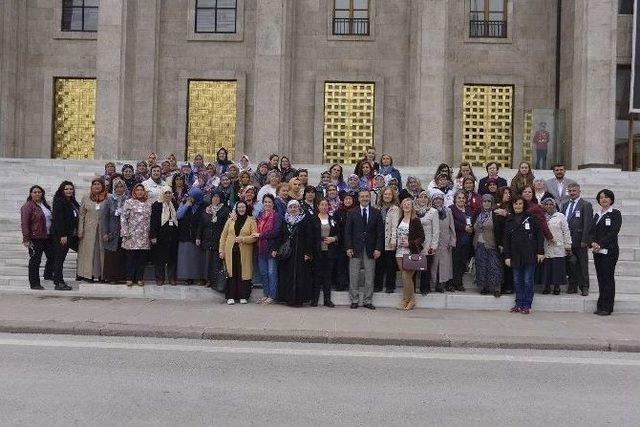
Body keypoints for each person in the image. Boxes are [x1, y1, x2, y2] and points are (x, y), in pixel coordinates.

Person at [503, 196, 545, 314]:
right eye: (515, 204)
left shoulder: (532, 218)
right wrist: (507, 256)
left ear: (524, 205)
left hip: (529, 255)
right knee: (517, 281)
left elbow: (539, 236)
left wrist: (540, 252)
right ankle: (518, 304)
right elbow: (506, 240)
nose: (517, 206)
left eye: (520, 204)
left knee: (528, 281)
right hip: (515, 256)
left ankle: (527, 305)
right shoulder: (509, 220)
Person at [345, 190, 384, 309]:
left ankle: (367, 300)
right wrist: (348, 247)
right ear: (358, 198)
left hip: (371, 249)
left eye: (367, 196)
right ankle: (354, 300)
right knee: (354, 275)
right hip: (355, 248)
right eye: (362, 196)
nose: (365, 198)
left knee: (369, 276)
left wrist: (378, 248)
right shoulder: (352, 212)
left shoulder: (376, 212)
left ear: (370, 198)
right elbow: (348, 232)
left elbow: (380, 233)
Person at [590, 189, 622, 316]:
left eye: (606, 197)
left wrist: (600, 244)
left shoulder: (615, 213)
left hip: (609, 251)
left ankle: (607, 307)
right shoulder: (597, 214)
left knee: (608, 279)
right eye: (601, 197)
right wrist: (591, 242)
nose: (604, 199)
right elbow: (591, 231)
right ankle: (601, 305)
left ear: (611, 199)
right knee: (600, 278)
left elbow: (613, 232)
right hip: (597, 251)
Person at [219, 201, 257, 304]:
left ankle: (243, 296)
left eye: (243, 207)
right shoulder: (231, 220)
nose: (241, 209)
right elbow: (223, 236)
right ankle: (230, 296)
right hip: (230, 251)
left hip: (244, 252)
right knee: (231, 273)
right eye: (239, 207)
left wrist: (243, 239)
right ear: (236, 208)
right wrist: (221, 251)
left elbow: (254, 237)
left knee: (242, 273)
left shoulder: (251, 221)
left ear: (246, 208)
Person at [276, 200, 312, 307]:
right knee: (288, 275)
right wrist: (277, 249)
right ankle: (289, 298)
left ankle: (299, 299)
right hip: (288, 253)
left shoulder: (304, 219)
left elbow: (309, 237)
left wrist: (308, 252)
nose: (293, 209)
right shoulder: (285, 220)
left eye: (295, 207)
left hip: (300, 251)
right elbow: (281, 235)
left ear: (298, 208)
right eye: (291, 207)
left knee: (300, 275)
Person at [561, 183, 593, 295]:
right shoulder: (565, 205)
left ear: (579, 191)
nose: (572, 193)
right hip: (568, 241)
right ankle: (572, 285)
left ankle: (584, 286)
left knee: (582, 264)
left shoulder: (585, 204)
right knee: (570, 264)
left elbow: (588, 224)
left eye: (574, 191)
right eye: (570, 191)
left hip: (580, 240)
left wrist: (585, 240)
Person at [21, 185, 54, 289]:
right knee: (35, 260)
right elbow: (24, 223)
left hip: (47, 236)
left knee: (52, 256)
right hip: (35, 237)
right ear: (31, 194)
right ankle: (34, 283)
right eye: (34, 192)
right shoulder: (28, 206)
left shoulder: (44, 205)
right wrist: (26, 239)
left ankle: (48, 274)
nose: (37, 194)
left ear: (42, 193)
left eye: (39, 192)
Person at [395, 198, 426, 310]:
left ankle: (406, 300)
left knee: (406, 276)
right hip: (399, 251)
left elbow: (422, 237)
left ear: (412, 206)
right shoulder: (400, 219)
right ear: (402, 206)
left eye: (409, 204)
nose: (406, 206)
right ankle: (411, 300)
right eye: (404, 204)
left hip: (411, 251)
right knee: (405, 278)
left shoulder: (415, 220)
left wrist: (410, 243)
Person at [196, 190, 230, 288]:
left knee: (216, 261)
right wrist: (198, 237)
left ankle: (216, 281)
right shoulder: (206, 210)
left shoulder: (225, 210)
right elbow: (201, 225)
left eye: (217, 197)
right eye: (214, 197)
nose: (215, 199)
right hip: (207, 238)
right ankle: (207, 280)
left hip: (218, 239)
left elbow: (227, 226)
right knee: (207, 261)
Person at [120, 183, 152, 287]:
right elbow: (124, 218)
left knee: (142, 259)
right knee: (131, 258)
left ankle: (139, 278)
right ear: (134, 191)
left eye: (141, 190)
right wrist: (125, 232)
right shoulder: (129, 202)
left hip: (144, 235)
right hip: (131, 235)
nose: (140, 192)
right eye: (137, 190)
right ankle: (129, 278)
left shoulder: (148, 203)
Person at [309, 198, 339, 307]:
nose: (324, 207)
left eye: (326, 205)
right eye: (322, 205)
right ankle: (314, 299)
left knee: (328, 276)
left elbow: (338, 234)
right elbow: (310, 236)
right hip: (317, 251)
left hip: (329, 251)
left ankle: (327, 299)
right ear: (318, 206)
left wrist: (334, 239)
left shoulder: (332, 219)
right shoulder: (313, 219)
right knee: (316, 275)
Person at [50, 181, 79, 290]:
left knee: (61, 258)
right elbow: (58, 220)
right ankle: (58, 282)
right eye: (66, 189)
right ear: (62, 190)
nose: (69, 191)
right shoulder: (59, 201)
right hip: (61, 235)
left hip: (71, 234)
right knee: (59, 258)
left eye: (71, 189)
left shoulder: (72, 201)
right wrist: (63, 235)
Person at [77, 178, 107, 282]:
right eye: (94, 184)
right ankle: (87, 275)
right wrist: (80, 230)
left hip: (103, 230)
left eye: (99, 184)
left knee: (100, 253)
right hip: (88, 230)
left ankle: (101, 275)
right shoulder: (86, 197)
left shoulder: (108, 197)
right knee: (88, 253)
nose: (97, 186)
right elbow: (81, 215)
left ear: (102, 186)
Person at [541, 196, 572, 295]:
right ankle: (546, 286)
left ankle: (557, 287)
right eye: (546, 204)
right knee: (546, 267)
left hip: (558, 246)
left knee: (557, 267)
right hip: (545, 245)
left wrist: (568, 245)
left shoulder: (560, 216)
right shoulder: (541, 216)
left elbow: (566, 231)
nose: (549, 206)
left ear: (554, 205)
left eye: (551, 204)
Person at [473, 194, 503, 297]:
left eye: (489, 202)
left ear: (492, 203)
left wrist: (501, 244)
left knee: (494, 266)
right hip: (479, 244)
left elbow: (500, 230)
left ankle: (496, 288)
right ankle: (484, 287)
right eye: (484, 201)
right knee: (481, 266)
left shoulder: (495, 214)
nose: (486, 203)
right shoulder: (478, 214)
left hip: (492, 244)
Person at [255, 194, 282, 304]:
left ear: (273, 203)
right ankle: (265, 294)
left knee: (272, 273)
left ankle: (272, 295)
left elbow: (276, 233)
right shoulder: (260, 216)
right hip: (261, 248)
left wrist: (260, 235)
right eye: (265, 202)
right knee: (263, 273)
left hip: (271, 248)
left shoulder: (277, 216)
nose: (267, 204)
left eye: (269, 202)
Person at [176, 187, 206, 285]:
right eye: (189, 195)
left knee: (198, 259)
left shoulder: (204, 205)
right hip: (185, 235)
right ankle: (188, 278)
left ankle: (200, 278)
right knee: (187, 259)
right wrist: (186, 205)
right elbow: (178, 216)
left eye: (192, 196)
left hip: (198, 236)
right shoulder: (185, 203)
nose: (189, 198)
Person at [150, 187, 179, 286]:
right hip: (160, 235)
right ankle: (160, 278)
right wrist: (153, 236)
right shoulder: (157, 205)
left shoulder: (174, 204)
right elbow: (153, 221)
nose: (168, 195)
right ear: (162, 194)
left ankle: (172, 278)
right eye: (166, 193)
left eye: (169, 193)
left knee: (172, 257)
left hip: (173, 235)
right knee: (159, 258)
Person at [100, 178, 127, 284]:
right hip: (112, 232)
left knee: (122, 254)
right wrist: (105, 232)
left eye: (121, 187)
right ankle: (111, 277)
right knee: (112, 256)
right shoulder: (109, 200)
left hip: (124, 232)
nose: (119, 189)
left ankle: (122, 276)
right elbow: (105, 217)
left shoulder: (128, 199)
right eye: (117, 187)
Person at [376, 186, 400, 293]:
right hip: (378, 240)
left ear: (393, 196)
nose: (387, 196)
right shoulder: (377, 208)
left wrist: (394, 240)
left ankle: (390, 286)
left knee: (390, 265)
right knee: (379, 264)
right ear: (382, 195)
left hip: (390, 240)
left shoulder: (395, 209)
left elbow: (395, 226)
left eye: (389, 194)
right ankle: (378, 285)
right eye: (385, 194)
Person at [431, 193, 455, 293]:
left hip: (445, 241)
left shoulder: (448, 211)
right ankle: (433, 284)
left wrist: (452, 241)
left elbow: (452, 227)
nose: (438, 201)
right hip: (434, 241)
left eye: (440, 199)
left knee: (444, 264)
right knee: (434, 263)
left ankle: (441, 285)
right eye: (435, 199)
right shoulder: (430, 211)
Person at [415, 191, 439, 295]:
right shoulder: (413, 211)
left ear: (429, 199)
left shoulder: (433, 211)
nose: (423, 199)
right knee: (414, 266)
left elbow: (436, 230)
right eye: (421, 197)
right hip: (415, 243)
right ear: (417, 199)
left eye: (426, 197)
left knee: (426, 267)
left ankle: (425, 288)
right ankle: (412, 288)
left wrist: (433, 245)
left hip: (428, 243)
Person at [449, 190, 473, 292]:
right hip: (456, 240)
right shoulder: (451, 209)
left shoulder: (468, 209)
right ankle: (451, 284)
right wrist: (464, 227)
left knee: (463, 262)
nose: (461, 200)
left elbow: (471, 220)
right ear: (455, 199)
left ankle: (459, 283)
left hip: (466, 241)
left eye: (463, 198)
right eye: (459, 198)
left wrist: (470, 228)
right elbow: (452, 222)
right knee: (454, 263)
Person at [333, 191, 356, 291]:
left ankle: (350, 283)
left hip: (353, 242)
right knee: (341, 263)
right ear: (343, 200)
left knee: (351, 264)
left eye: (349, 199)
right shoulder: (338, 212)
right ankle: (340, 283)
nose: (347, 201)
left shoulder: (356, 211)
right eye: (346, 199)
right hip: (341, 242)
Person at [494, 186, 514, 294]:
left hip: (512, 241)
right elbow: (498, 228)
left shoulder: (512, 207)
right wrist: (501, 243)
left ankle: (509, 286)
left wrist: (507, 214)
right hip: (501, 241)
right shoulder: (497, 207)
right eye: (505, 193)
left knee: (509, 265)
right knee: (501, 264)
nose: (508, 195)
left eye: (509, 193)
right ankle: (500, 286)